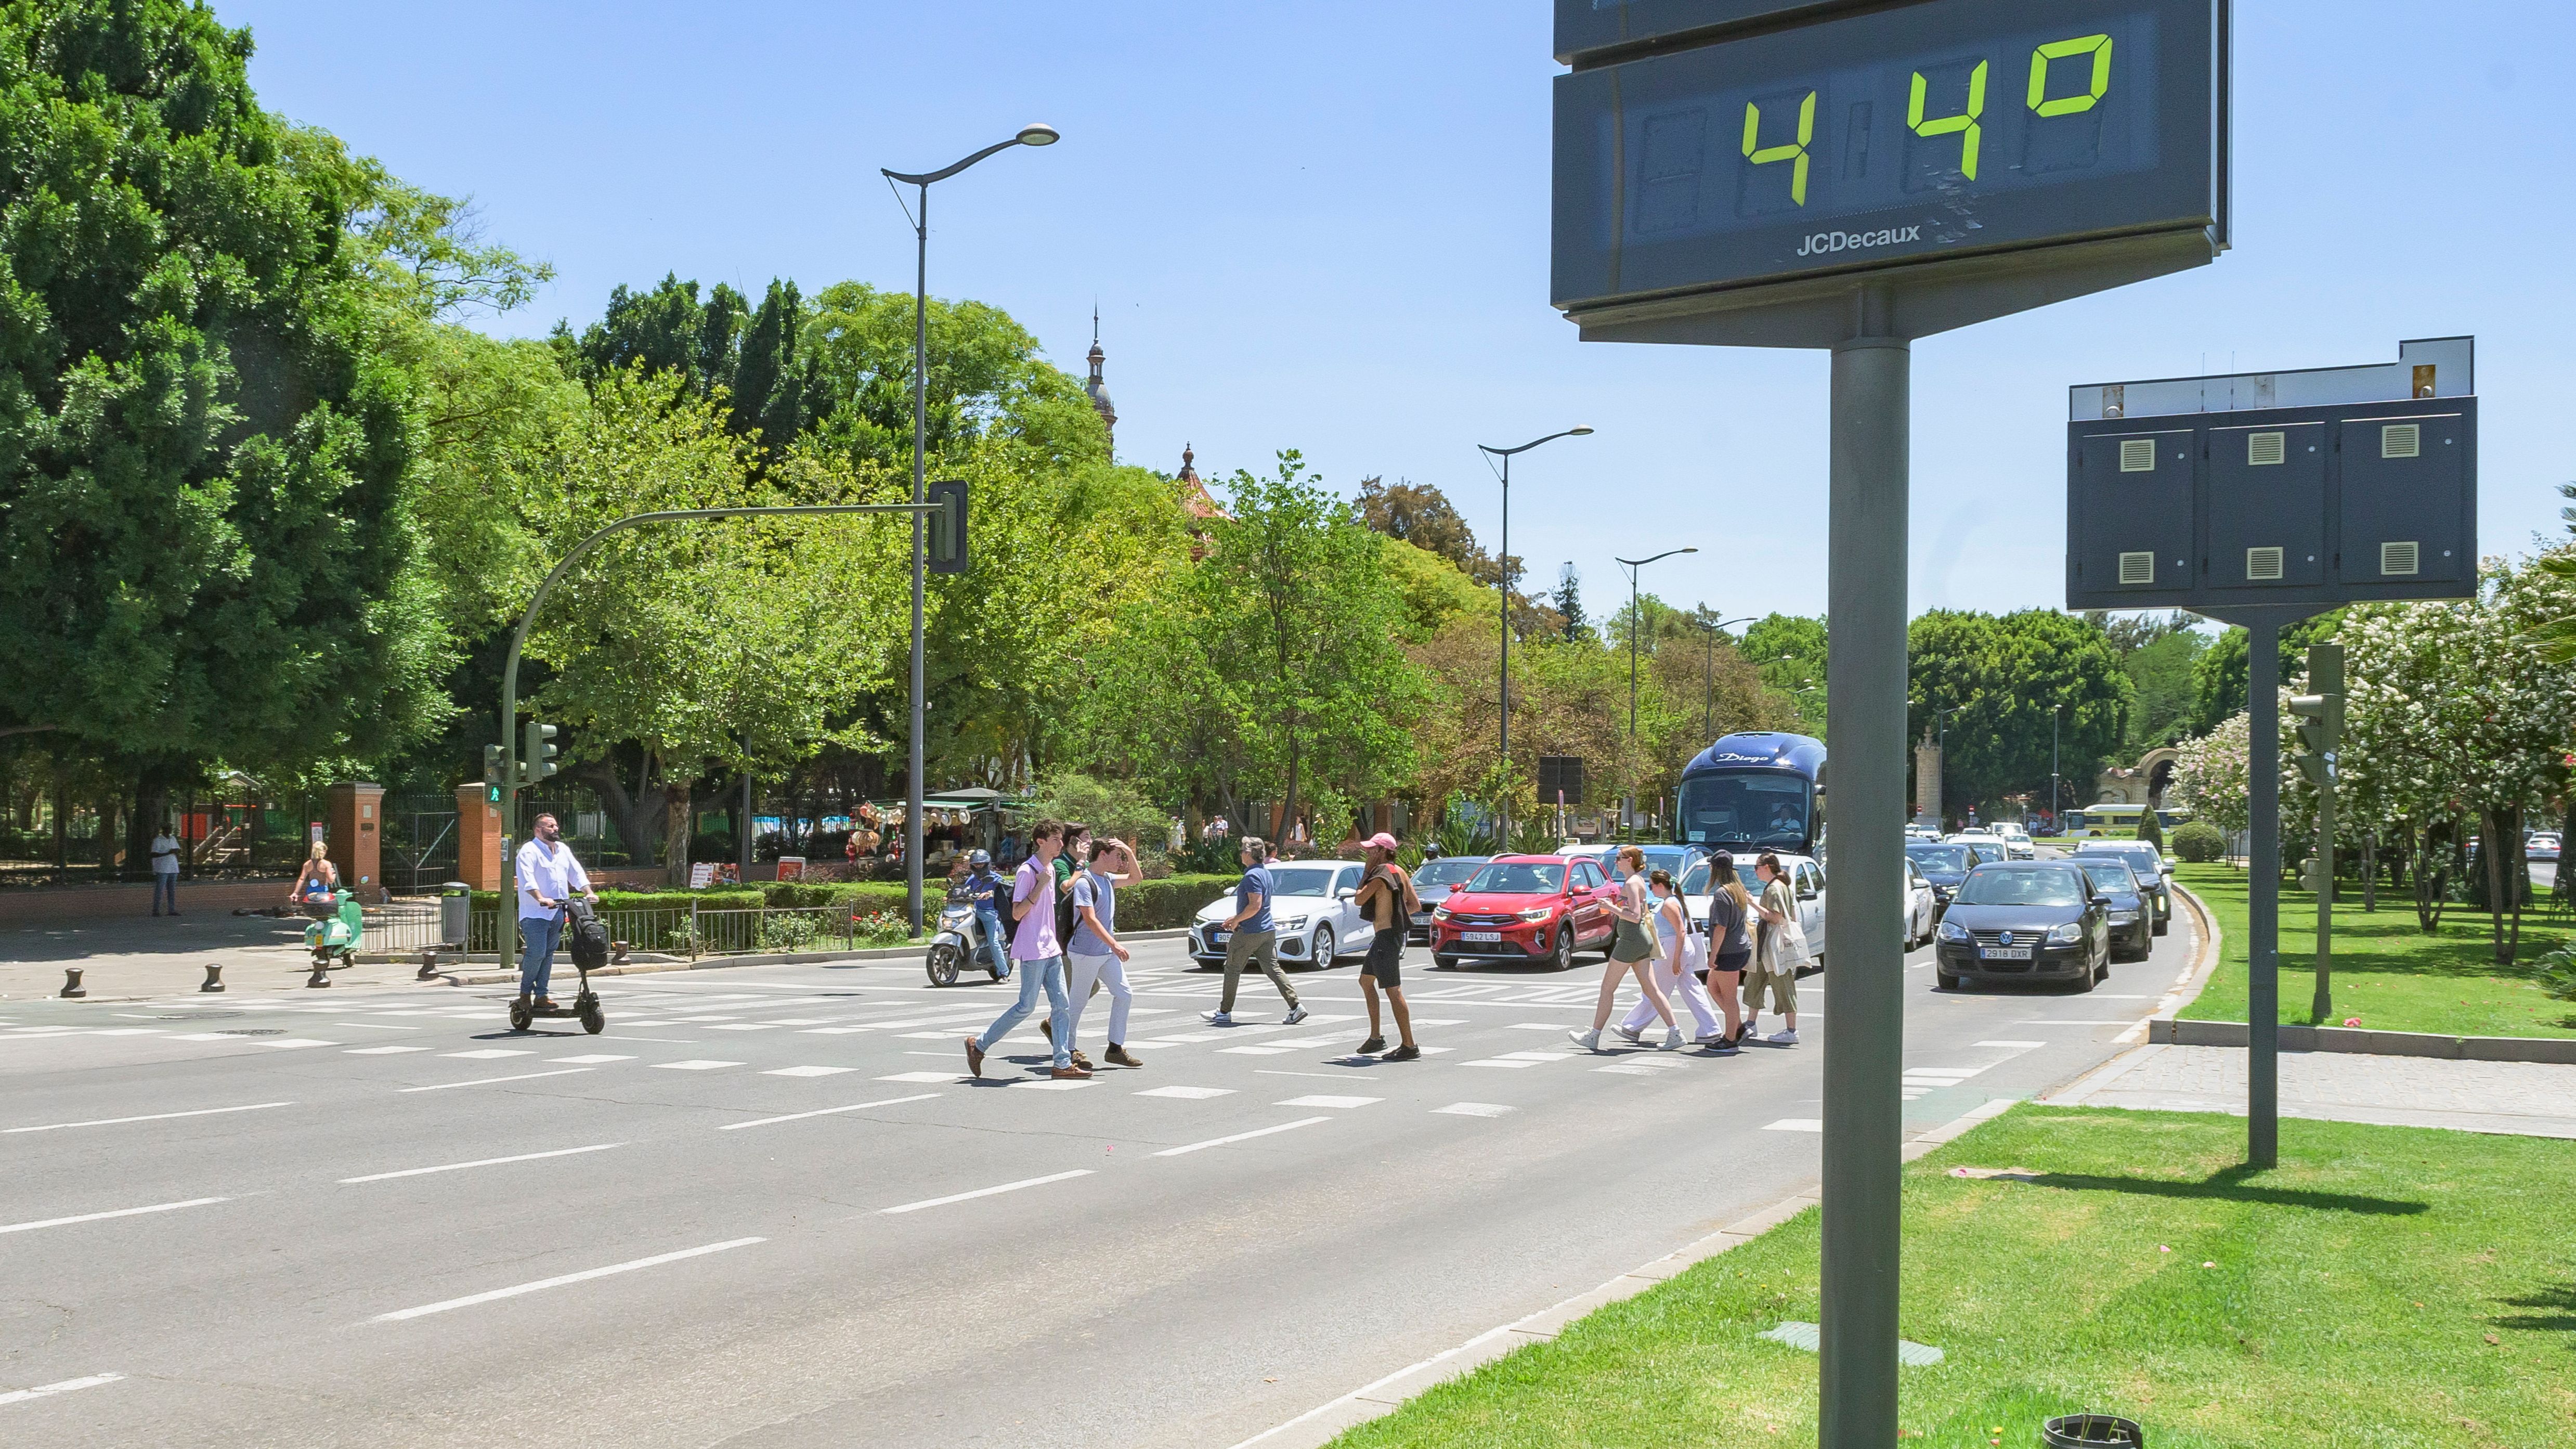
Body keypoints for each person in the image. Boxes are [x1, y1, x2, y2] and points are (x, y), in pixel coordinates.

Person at [965, 820, 1083, 1081]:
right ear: (1041, 841)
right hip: (1032, 948)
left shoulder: (1049, 868)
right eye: (1056, 840)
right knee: (1026, 1006)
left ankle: (1062, 1063)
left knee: (1062, 1005)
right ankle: (979, 1045)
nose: (1061, 845)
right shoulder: (1028, 872)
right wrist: (1040, 885)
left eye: (1061, 840)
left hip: (1050, 946)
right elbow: (1017, 912)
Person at [1572, 845, 1679, 1051]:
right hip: (1639, 940)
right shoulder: (1637, 881)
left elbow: (1636, 916)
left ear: (1630, 860)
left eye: (1620, 858)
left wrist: (1612, 908)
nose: (1616, 861)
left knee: (1607, 989)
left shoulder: (1631, 883)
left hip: (1631, 940)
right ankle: (1675, 1032)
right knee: (1651, 989)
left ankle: (1593, 1035)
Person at [1615, 869, 1725, 1046]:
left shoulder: (1669, 904)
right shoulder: (1670, 902)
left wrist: (1676, 959)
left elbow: (1680, 931)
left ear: (1660, 885)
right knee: (1692, 990)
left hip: (1674, 948)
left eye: (1652, 886)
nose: (1651, 889)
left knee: (1655, 990)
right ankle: (1710, 1029)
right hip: (1677, 948)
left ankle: (1633, 1026)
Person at [1206, 836, 1307, 1026]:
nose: (1241, 854)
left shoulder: (1252, 876)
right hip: (1267, 930)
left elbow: (1255, 906)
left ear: (1250, 854)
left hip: (1250, 931)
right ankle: (1296, 1006)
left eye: (1243, 851)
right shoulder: (1264, 872)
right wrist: (1235, 918)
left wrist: (1236, 921)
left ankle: (1224, 1012)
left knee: (1232, 969)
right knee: (1273, 968)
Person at [1060, 838, 1143, 1069]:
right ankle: (1068, 1050)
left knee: (1124, 994)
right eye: (1117, 856)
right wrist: (1115, 944)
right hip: (1086, 952)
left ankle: (1115, 1049)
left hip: (1105, 952)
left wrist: (1128, 851)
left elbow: (1137, 879)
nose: (1121, 861)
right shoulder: (1086, 883)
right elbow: (1090, 919)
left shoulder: (1106, 879)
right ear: (1103, 855)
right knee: (1077, 1003)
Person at [1350, 832, 1422, 1060]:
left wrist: (1365, 871)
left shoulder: (1380, 874)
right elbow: (1415, 905)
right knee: (1366, 981)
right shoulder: (1398, 871)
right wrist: (1397, 918)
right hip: (1388, 936)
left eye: (1373, 850)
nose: (1369, 854)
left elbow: (1359, 899)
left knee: (1394, 991)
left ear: (1383, 851)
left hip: (1386, 938)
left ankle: (1409, 1045)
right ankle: (1376, 1038)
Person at [514, 812, 595, 1011]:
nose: (555, 829)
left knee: (549, 954)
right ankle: (525, 994)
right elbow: (527, 879)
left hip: (558, 912)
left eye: (556, 825)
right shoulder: (529, 850)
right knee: (537, 954)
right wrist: (540, 898)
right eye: (550, 826)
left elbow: (576, 872)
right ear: (538, 830)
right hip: (535, 914)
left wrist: (588, 891)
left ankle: (542, 995)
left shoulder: (562, 850)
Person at [1744, 852, 1802, 1045]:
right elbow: (1792, 915)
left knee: (1781, 984)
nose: (1755, 871)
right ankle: (1751, 1024)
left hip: (1772, 943)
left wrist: (1751, 903)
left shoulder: (1774, 889)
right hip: (1769, 943)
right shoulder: (1783, 887)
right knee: (1755, 979)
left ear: (1767, 867)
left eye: (1757, 867)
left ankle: (1791, 1030)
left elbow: (1775, 917)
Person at [1697, 851, 1752, 1050]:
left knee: (1729, 998)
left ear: (1714, 869)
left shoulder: (1722, 893)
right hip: (1740, 947)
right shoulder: (1737, 889)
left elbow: (1721, 927)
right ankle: (1738, 1027)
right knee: (1713, 986)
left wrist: (1713, 955)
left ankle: (1731, 1040)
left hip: (1728, 951)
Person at [958, 849, 1008, 979]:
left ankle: (1003, 973)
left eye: (981, 864)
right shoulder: (972, 879)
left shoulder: (996, 878)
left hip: (990, 913)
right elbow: (965, 891)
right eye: (976, 865)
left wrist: (990, 893)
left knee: (993, 942)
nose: (979, 867)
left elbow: (1002, 892)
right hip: (974, 911)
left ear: (987, 864)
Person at [289, 842, 339, 907]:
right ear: (322, 851)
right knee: (323, 910)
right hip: (322, 889)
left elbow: (302, 879)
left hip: (311, 890)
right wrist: (334, 874)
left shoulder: (307, 864)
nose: (325, 853)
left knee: (313, 908)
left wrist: (295, 892)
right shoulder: (326, 864)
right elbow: (331, 881)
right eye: (325, 851)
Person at [148, 822, 183, 916]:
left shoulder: (173, 839)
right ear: (163, 830)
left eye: (170, 829)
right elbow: (153, 854)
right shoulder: (158, 840)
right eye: (167, 829)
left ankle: (171, 909)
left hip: (173, 867)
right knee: (160, 890)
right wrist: (168, 853)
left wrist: (177, 852)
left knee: (172, 890)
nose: (169, 831)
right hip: (162, 868)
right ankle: (156, 910)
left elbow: (178, 849)